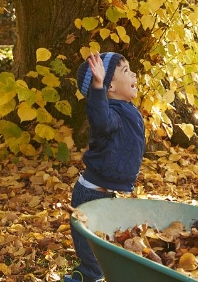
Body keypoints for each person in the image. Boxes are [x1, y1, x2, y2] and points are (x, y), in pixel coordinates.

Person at [65, 52, 145, 282]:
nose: (134, 74)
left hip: (105, 193)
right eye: (126, 71)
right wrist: (97, 86)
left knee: (106, 247)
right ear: (110, 85)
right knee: (93, 261)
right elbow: (99, 118)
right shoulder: (110, 115)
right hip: (88, 194)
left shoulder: (126, 109)